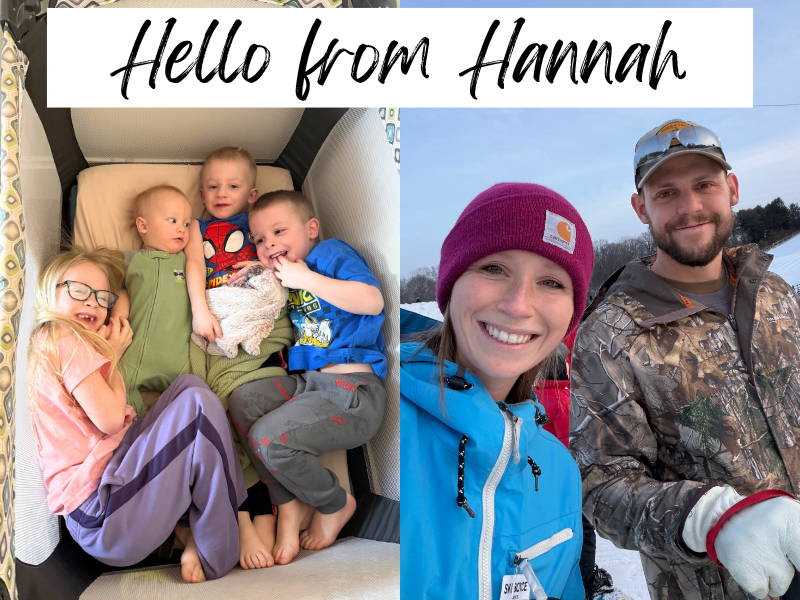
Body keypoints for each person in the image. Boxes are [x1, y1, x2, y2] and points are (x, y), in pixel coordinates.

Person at [570, 119, 800, 600]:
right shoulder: (611, 334)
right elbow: (600, 488)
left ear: (731, 189)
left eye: (704, 186)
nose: (690, 207)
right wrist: (714, 520)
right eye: (667, 193)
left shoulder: (776, 292)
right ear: (641, 208)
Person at [401, 182, 593, 600]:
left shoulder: (558, 470)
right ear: (450, 285)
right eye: (493, 269)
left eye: (552, 282)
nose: (519, 305)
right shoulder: (384, 423)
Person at [27, 247, 246, 583]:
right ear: (48, 292)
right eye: (78, 290)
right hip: (101, 513)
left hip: (118, 482)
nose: (91, 303)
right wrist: (112, 355)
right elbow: (111, 419)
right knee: (196, 407)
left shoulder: (68, 341)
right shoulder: (61, 336)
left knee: (189, 387)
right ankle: (221, 549)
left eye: (101, 297)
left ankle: (190, 528)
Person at [114, 184, 279, 571]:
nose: (181, 228)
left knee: (207, 436)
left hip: (182, 370)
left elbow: (196, 265)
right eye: (171, 220)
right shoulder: (130, 260)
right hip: (130, 365)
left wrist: (204, 308)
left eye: (186, 222)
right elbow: (115, 288)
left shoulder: (189, 264)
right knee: (135, 442)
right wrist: (118, 314)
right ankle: (182, 530)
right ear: (142, 225)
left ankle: (223, 521)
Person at [227, 190, 387, 565]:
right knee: (241, 401)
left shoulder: (329, 254)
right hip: (309, 385)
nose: (270, 245)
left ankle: (335, 503)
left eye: (279, 231)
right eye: (261, 240)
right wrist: (256, 272)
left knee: (269, 440)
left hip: (353, 392)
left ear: (311, 228)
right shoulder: (287, 275)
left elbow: (372, 301)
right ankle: (289, 506)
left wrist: (305, 277)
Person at [186, 147, 260, 343]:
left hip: (254, 304)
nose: (221, 193)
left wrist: (263, 268)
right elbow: (194, 264)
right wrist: (199, 310)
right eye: (212, 187)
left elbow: (280, 254)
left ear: (251, 196)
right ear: (202, 195)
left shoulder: (260, 221)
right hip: (215, 308)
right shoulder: (196, 226)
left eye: (233, 186)